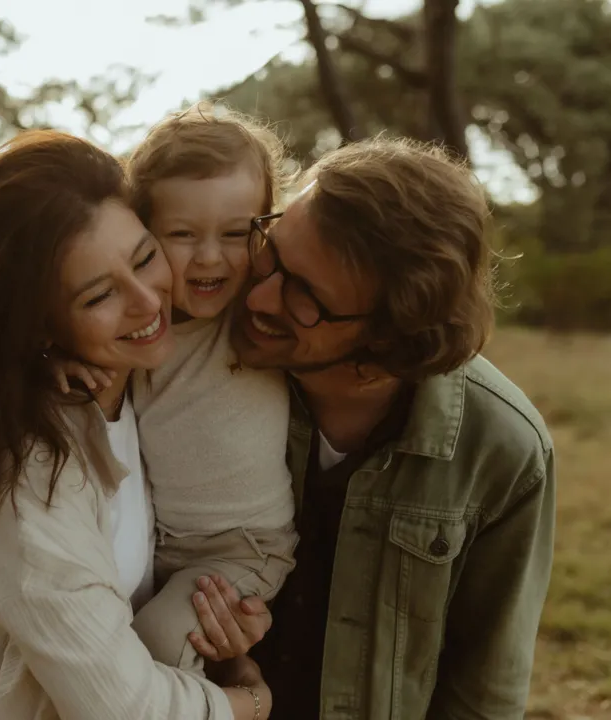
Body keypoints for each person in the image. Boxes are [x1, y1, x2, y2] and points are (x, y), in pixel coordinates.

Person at [0, 129, 272, 720]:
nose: (149, 302)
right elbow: (123, 708)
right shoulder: (20, 467)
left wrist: (221, 635)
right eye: (100, 295)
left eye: (145, 257)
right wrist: (249, 699)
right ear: (37, 324)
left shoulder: (145, 387)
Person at [225, 137, 555, 718]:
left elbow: (484, 693)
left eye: (305, 295)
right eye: (271, 249)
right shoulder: (200, 369)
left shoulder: (503, 449)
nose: (259, 294)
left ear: (387, 338)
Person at [51, 102, 298, 675]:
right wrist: (55, 361)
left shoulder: (254, 316)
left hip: (243, 548)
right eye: (182, 234)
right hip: (160, 549)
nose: (211, 257)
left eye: (236, 234)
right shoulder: (134, 322)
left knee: (159, 644)